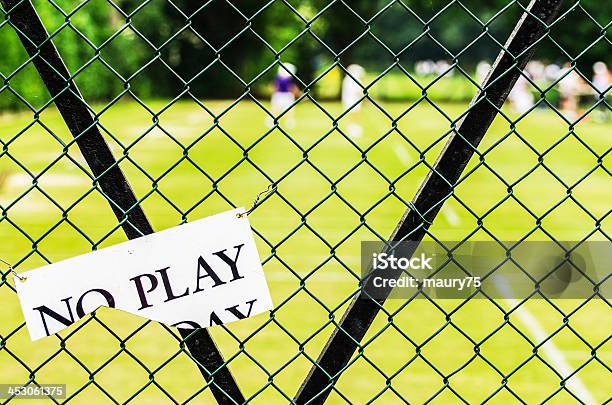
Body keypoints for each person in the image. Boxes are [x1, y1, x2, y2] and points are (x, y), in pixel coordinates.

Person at [268, 63, 299, 128]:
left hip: (285, 95)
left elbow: (274, 86)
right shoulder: (281, 78)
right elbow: (291, 88)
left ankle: (288, 122)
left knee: (287, 110)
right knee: (276, 109)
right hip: (281, 95)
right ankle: (272, 120)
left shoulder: (282, 78)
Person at [341, 64, 366, 137]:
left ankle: (352, 127)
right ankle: (353, 128)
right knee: (354, 115)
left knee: (353, 115)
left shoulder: (347, 79)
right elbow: (359, 91)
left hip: (351, 99)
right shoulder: (354, 80)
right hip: (353, 100)